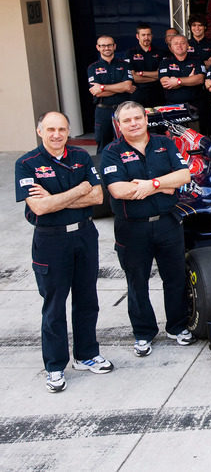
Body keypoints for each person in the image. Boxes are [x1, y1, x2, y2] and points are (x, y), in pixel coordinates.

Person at [16, 112, 112, 392]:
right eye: (50, 129)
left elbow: (97, 196)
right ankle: (55, 367)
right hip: (50, 241)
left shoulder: (81, 157)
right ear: (39, 131)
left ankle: (86, 355)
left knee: (87, 298)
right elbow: (40, 208)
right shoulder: (26, 164)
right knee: (54, 305)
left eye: (62, 129)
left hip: (84, 235)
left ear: (69, 131)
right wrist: (79, 189)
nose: (56, 134)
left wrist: (58, 198)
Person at [101, 101, 194, 357]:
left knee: (175, 278)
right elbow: (118, 190)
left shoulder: (164, 143)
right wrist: (164, 186)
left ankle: (177, 327)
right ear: (119, 125)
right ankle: (143, 334)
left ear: (145, 119)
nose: (133, 124)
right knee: (137, 282)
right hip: (132, 229)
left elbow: (184, 176)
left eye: (137, 118)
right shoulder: (111, 152)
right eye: (127, 120)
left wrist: (149, 183)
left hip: (167, 223)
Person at [87, 35, 135, 152]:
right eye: (103, 46)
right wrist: (120, 87)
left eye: (109, 45)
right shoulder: (93, 68)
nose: (106, 48)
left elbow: (128, 86)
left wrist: (103, 87)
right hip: (103, 110)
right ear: (98, 48)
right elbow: (97, 93)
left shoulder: (124, 64)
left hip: (123, 110)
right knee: (103, 144)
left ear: (114, 46)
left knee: (129, 142)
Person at [158, 34, 205, 106]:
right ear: (171, 47)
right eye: (176, 44)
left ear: (187, 45)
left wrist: (177, 81)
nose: (179, 46)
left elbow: (200, 79)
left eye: (182, 43)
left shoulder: (197, 60)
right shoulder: (165, 62)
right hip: (173, 106)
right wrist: (189, 79)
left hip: (195, 105)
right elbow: (166, 84)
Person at [125, 23, 162, 108]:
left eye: (148, 35)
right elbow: (134, 78)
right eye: (143, 35)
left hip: (157, 95)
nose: (146, 37)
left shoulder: (160, 52)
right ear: (137, 36)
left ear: (152, 36)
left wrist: (142, 73)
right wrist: (156, 77)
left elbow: (162, 74)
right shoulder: (130, 53)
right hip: (138, 95)